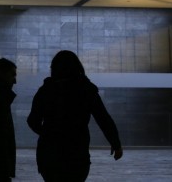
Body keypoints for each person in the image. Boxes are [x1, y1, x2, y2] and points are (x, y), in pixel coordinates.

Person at [27, 50, 123, 182]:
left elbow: (32, 120)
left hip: (49, 153)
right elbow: (103, 119)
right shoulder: (87, 90)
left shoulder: (46, 90)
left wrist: (48, 133)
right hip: (77, 153)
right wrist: (115, 144)